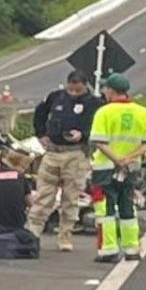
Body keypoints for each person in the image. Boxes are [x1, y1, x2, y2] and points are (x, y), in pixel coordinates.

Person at [26, 70, 103, 251]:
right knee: (44, 196)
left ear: (85, 86)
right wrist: (41, 134)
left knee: (71, 198)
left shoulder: (94, 103)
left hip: (76, 154)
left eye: (78, 90)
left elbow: (99, 126)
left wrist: (83, 135)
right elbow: (40, 113)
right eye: (71, 90)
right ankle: (33, 234)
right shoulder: (56, 97)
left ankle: (65, 236)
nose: (74, 93)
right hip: (52, 152)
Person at [90, 73, 146, 263]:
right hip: (131, 169)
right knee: (128, 208)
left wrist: (117, 159)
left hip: (105, 169)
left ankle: (108, 250)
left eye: (105, 89)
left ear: (110, 91)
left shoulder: (104, 112)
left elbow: (99, 141)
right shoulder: (141, 112)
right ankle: (131, 249)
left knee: (105, 210)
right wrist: (131, 157)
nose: (104, 92)